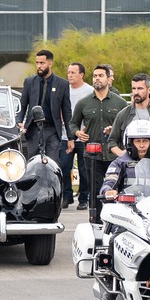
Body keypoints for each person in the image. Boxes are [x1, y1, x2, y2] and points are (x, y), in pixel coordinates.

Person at [69, 64, 127, 220]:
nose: (97, 79)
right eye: (95, 76)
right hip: (92, 155)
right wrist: (77, 132)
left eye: (101, 75)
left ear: (108, 79)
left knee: (116, 191)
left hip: (114, 156)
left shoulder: (120, 103)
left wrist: (116, 131)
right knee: (95, 191)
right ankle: (95, 222)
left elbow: (128, 126)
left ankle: (115, 221)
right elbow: (73, 123)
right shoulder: (84, 103)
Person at [17, 49, 72, 160]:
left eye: (42, 63)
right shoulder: (29, 82)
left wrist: (70, 137)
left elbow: (66, 112)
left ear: (50, 63)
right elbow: (22, 105)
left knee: (51, 162)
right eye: (37, 63)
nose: (39, 66)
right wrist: (19, 121)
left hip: (52, 130)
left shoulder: (62, 84)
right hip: (33, 130)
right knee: (32, 163)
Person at [107, 73, 150, 157]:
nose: (136, 92)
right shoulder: (123, 114)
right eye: (134, 88)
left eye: (140, 88)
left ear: (149, 90)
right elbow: (111, 141)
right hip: (130, 165)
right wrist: (121, 154)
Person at [60, 62, 94, 209]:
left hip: (84, 136)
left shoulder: (89, 91)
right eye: (68, 72)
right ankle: (67, 196)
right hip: (65, 135)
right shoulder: (64, 89)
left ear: (81, 75)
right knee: (64, 166)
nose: (70, 75)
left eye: (73, 73)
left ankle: (84, 198)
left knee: (84, 169)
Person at [100, 120, 150, 200]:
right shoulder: (119, 163)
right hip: (127, 206)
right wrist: (108, 190)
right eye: (137, 141)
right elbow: (110, 180)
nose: (141, 145)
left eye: (145, 141)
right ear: (130, 143)